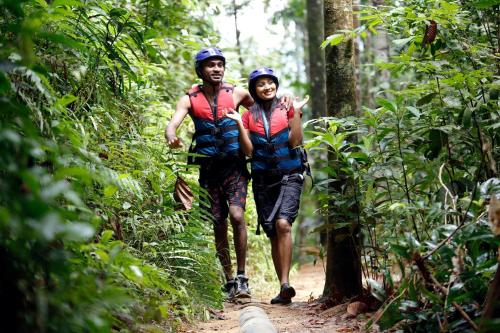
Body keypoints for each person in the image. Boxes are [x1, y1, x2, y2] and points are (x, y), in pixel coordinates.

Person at [165, 47, 253, 300]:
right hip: (208, 169)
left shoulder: (237, 93)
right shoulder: (189, 98)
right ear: (200, 70)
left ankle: (242, 277)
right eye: (210, 65)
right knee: (217, 222)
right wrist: (171, 136)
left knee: (237, 216)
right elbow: (173, 124)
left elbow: (263, 111)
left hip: (234, 166)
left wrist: (288, 106)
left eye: (219, 64)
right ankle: (228, 281)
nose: (216, 69)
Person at [225, 67, 309, 305]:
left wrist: (297, 113)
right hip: (263, 180)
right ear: (254, 89)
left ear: (276, 85)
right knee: (273, 231)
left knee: (283, 224)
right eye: (261, 84)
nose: (267, 87)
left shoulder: (288, 107)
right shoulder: (248, 115)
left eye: (270, 83)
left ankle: (285, 283)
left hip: (290, 175)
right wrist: (239, 124)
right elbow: (249, 150)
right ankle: (283, 288)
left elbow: (295, 142)